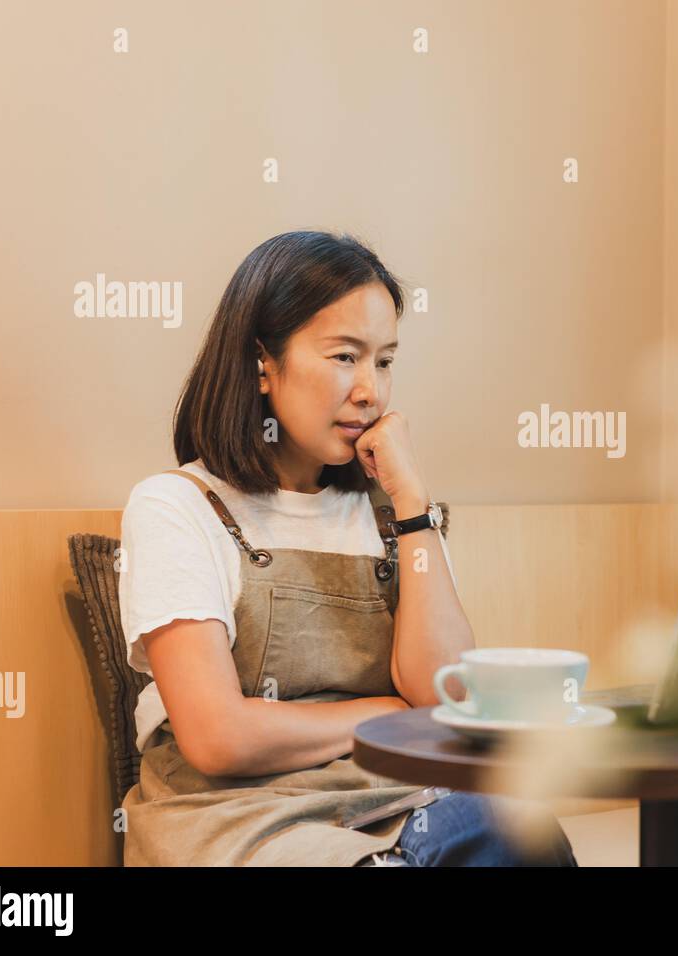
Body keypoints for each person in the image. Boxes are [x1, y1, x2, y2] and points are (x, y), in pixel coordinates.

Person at [118, 230, 577, 867]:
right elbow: (218, 738)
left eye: (384, 361)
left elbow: (444, 693)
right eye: (344, 357)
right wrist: (390, 713)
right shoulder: (177, 506)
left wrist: (413, 505)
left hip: (386, 798)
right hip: (233, 819)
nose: (370, 391)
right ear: (261, 363)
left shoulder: (390, 511)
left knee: (511, 822)